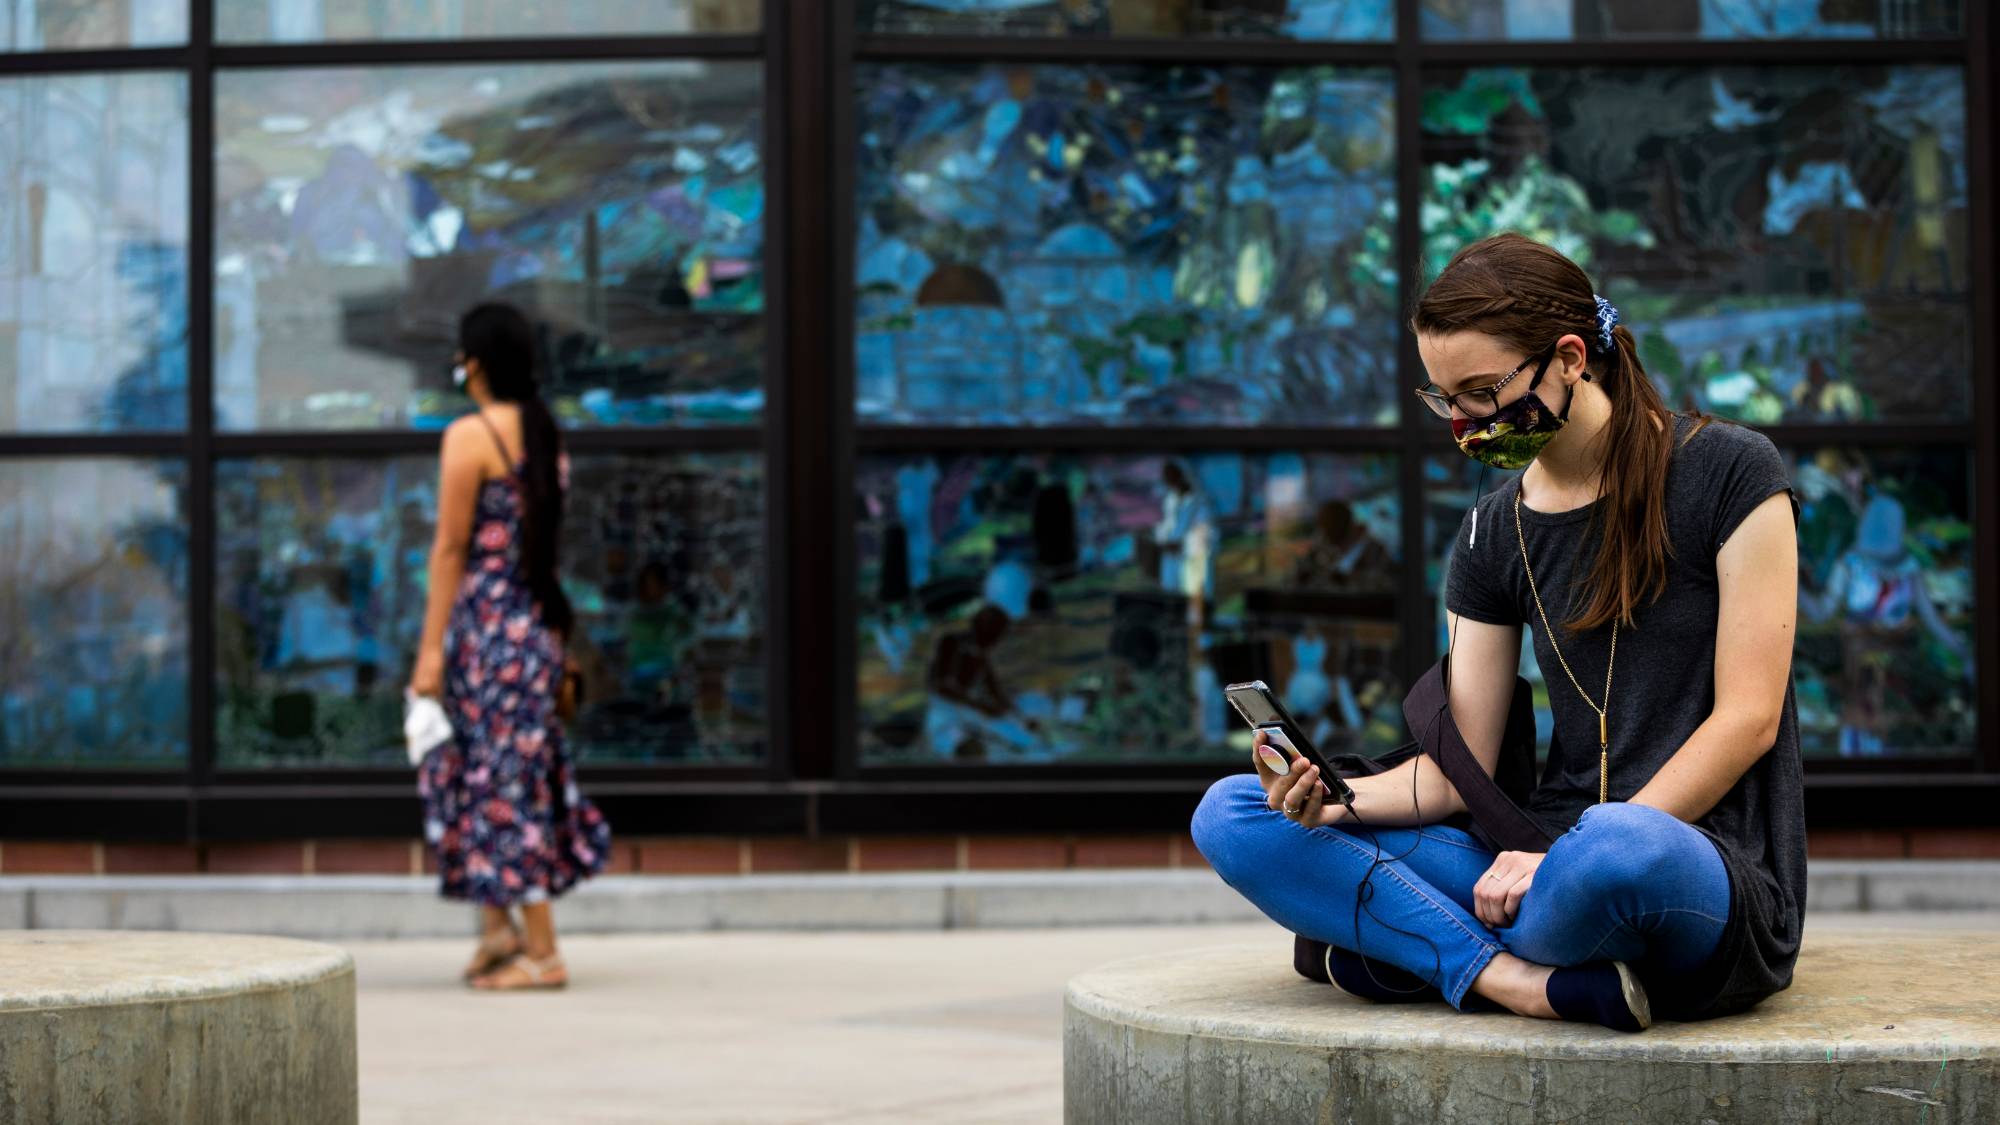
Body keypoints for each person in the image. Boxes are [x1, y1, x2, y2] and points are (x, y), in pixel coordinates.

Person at [1193, 233, 1805, 1032]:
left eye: (1481, 391)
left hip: (1693, 859)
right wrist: (1332, 803)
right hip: (1526, 858)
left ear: (1571, 357)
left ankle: (1406, 943)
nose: (1464, 422)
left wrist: (1566, 854)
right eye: (1444, 398)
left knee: (1620, 849)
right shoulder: (1490, 532)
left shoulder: (1732, 473)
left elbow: (1749, 718)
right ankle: (1517, 979)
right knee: (1232, 812)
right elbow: (1457, 775)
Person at [409, 303, 612, 991]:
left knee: (492, 776)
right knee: (497, 769)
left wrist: (429, 648)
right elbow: (543, 551)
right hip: (535, 629)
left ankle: (543, 950)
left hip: (487, 631)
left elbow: (450, 547)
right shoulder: (545, 432)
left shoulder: (469, 436)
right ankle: (498, 930)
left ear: (476, 362)